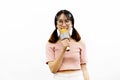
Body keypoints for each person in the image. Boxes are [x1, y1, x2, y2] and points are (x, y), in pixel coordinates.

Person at [45, 9, 89, 80]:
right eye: (60, 21)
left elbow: (84, 68)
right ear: (56, 24)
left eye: (67, 21)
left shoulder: (80, 42)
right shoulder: (50, 43)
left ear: (72, 24)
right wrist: (63, 49)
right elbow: (53, 70)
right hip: (59, 77)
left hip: (77, 77)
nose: (64, 24)